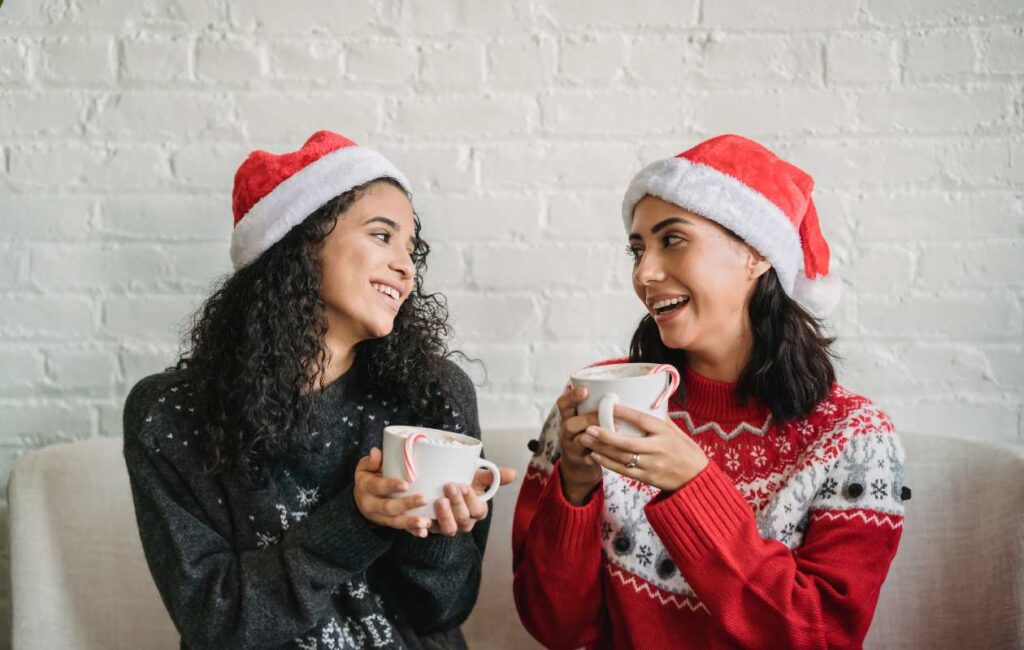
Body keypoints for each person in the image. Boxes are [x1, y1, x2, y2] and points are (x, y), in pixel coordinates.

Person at [512, 134, 909, 649]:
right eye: (637, 250)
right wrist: (576, 486)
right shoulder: (597, 397)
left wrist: (693, 486)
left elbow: (820, 637)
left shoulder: (854, 440)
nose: (644, 273)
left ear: (754, 254)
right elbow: (556, 628)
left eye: (672, 239)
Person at [123, 130, 514, 649]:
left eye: (411, 246)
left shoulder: (435, 393)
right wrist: (357, 518)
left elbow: (441, 612)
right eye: (381, 235)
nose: (406, 265)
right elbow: (216, 621)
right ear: (298, 241)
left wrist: (439, 535)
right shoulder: (172, 415)